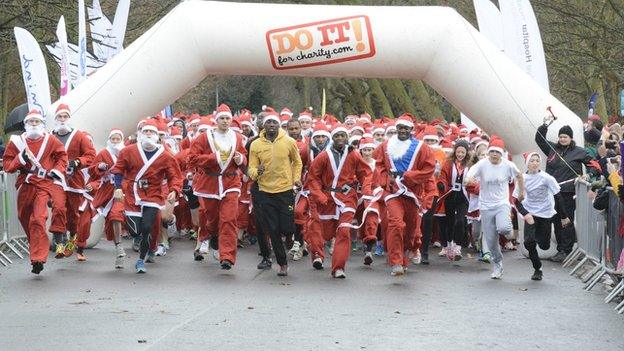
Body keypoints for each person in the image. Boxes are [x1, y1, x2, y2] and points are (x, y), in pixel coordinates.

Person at [111, 119, 183, 273]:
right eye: (146, 131)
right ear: (140, 134)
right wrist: (118, 187)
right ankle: (139, 240)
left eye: (151, 132)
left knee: (147, 227)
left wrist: (174, 190)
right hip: (132, 192)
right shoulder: (128, 151)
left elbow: (175, 176)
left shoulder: (165, 155)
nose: (148, 134)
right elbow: (118, 169)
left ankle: (140, 260)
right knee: (135, 231)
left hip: (153, 194)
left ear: (157, 136)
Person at [3, 110, 68, 274]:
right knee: (24, 217)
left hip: (44, 184)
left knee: (38, 219)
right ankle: (37, 246)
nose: (34, 124)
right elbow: (8, 165)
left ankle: (38, 259)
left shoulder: (50, 140)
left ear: (42, 124)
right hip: (25, 184)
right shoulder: (17, 143)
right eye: (31, 122)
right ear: (26, 124)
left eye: (36, 122)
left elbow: (62, 157)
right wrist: (21, 158)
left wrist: (57, 170)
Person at [307, 124, 372, 278]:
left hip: (347, 198)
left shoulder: (354, 154)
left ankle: (338, 267)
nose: (340, 139)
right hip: (327, 198)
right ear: (332, 138)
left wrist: (366, 190)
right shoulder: (323, 156)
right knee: (325, 232)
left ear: (347, 137)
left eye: (343, 135)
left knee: (343, 231)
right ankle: (317, 253)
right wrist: (319, 195)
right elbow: (313, 178)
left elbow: (366, 172)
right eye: (337, 136)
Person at [374, 114, 436, 276]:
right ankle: (395, 262)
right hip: (393, 193)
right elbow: (379, 165)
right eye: (399, 128)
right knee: (396, 224)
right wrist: (384, 181)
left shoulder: (421, 148)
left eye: (405, 128)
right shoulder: (385, 146)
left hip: (412, 195)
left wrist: (409, 176)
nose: (402, 131)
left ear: (411, 130)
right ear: (396, 129)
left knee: (409, 231)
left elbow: (428, 170)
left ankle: (406, 254)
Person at [188, 104, 247, 271]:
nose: (225, 121)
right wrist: (213, 158)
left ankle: (227, 257)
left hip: (231, 183)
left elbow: (244, 157)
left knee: (229, 219)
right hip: (210, 184)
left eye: (228, 118)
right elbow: (192, 159)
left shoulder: (237, 137)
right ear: (216, 120)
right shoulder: (203, 137)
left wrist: (241, 159)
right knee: (211, 219)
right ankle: (213, 235)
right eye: (222, 118)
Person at [247, 111, 303, 277]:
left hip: (285, 190)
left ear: (279, 125)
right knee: (272, 229)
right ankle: (282, 263)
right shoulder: (256, 145)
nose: (271, 125)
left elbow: (297, 162)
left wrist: (296, 179)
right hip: (265, 191)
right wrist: (257, 172)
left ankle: (290, 236)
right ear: (263, 126)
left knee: (287, 227)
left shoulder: (289, 141)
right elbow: (250, 168)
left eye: (274, 123)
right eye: (268, 122)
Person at [465, 136, 524, 279]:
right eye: (492, 152)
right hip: (485, 206)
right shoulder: (482, 164)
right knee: (491, 241)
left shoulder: (507, 165)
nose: (494, 155)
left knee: (503, 228)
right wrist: (469, 180)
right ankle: (498, 264)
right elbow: (469, 176)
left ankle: (506, 227)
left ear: (501, 153)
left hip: (501, 203)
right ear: (489, 152)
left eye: (497, 152)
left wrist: (521, 192)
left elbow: (519, 176)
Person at [535, 122, 595, 262]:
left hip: (568, 193)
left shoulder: (579, 151)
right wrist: (545, 124)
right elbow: (539, 138)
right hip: (552, 192)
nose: (562, 139)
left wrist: (589, 175)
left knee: (565, 221)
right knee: (555, 220)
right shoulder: (552, 149)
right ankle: (560, 247)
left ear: (571, 138)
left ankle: (565, 250)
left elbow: (595, 165)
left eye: (565, 137)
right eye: (561, 136)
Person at [49, 104, 96, 259]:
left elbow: (90, 155)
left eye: (65, 116)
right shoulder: (50, 136)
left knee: (73, 214)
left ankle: (73, 237)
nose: (62, 120)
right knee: (58, 208)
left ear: (69, 118)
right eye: (59, 117)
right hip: (57, 179)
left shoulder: (79, 136)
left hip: (74, 180)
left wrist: (77, 162)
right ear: (55, 119)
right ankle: (59, 243)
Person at [514, 152, 570, 281]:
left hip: (545, 213)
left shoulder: (546, 178)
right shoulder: (522, 178)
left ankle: (541, 239)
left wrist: (564, 216)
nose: (534, 163)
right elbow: (516, 200)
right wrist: (525, 214)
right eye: (531, 161)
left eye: (537, 161)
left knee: (544, 245)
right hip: (530, 213)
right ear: (527, 163)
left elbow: (558, 196)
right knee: (528, 242)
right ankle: (537, 268)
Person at [89, 129, 127, 269]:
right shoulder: (103, 153)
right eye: (113, 139)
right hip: (108, 190)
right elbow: (91, 170)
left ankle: (136, 239)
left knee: (121, 216)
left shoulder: (127, 152)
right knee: (113, 217)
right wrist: (99, 167)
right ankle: (119, 246)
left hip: (125, 189)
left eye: (118, 139)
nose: (115, 142)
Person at [438, 139, 472, 261]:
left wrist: (471, 184)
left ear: (467, 153)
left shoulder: (470, 164)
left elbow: (474, 178)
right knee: (450, 222)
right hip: (450, 194)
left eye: (463, 152)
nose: (460, 155)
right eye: (458, 152)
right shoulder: (448, 163)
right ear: (455, 152)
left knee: (460, 221)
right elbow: (443, 176)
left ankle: (458, 246)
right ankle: (448, 244)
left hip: (463, 196)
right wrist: (442, 184)